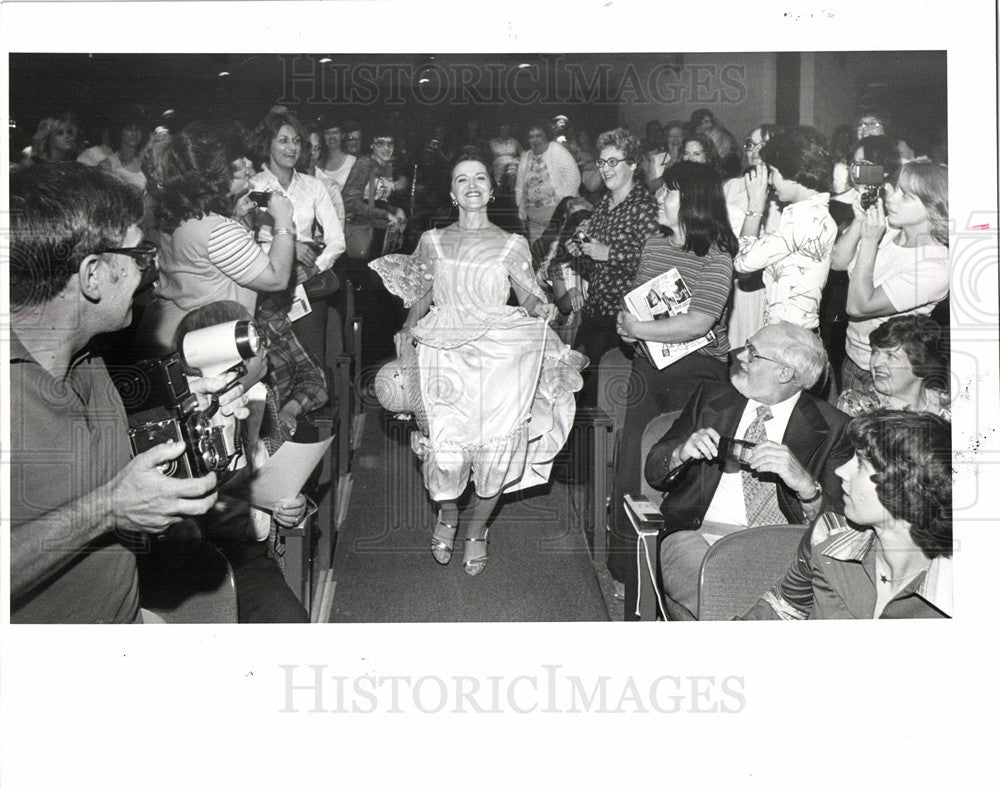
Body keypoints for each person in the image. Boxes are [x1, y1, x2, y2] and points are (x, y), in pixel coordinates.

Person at [9, 163, 243, 623]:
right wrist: (109, 508)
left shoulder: (91, 359)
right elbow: (110, 501)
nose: (148, 276)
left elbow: (122, 485)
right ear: (92, 275)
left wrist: (190, 419)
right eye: (138, 257)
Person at [369, 155, 586, 576]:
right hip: (443, 353)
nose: (472, 185)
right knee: (446, 449)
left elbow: (527, 299)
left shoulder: (512, 244)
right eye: (461, 179)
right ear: (453, 193)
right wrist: (406, 335)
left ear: (490, 190)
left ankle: (475, 527)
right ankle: (448, 514)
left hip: (499, 357)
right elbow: (420, 298)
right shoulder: (431, 240)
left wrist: (544, 306)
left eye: (480, 178)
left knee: (497, 448)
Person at [645, 322, 852, 617]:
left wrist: (807, 487)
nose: (740, 356)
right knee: (722, 591)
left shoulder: (833, 427)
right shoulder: (712, 398)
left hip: (783, 546)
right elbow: (654, 468)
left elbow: (842, 528)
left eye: (753, 353)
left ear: (785, 373)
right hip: (700, 534)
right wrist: (681, 453)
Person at [609, 161, 738, 609]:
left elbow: (699, 323)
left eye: (668, 192)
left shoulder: (719, 256)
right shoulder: (654, 245)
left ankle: (673, 576)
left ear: (692, 201)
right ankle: (630, 569)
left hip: (697, 375)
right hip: (647, 368)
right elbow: (639, 307)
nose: (659, 199)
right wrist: (628, 328)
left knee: (680, 471)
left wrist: (639, 330)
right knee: (634, 463)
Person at [172, 302, 318, 623]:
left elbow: (275, 484)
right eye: (251, 338)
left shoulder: (261, 397)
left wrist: (294, 506)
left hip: (250, 560)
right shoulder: (187, 422)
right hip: (201, 563)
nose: (264, 345)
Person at [742, 410, 952, 619]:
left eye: (861, 463)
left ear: (907, 487)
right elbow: (780, 611)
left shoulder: (953, 592)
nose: (841, 471)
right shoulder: (829, 535)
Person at [139, 121, 297, 352]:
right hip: (208, 345)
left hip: (171, 335)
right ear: (215, 173)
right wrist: (284, 220)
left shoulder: (179, 215)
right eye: (235, 160)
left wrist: (233, 218)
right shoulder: (217, 230)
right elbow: (277, 278)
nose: (246, 165)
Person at [558, 126, 659, 407]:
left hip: (624, 322)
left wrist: (609, 253)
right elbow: (594, 268)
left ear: (634, 164)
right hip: (595, 315)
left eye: (613, 162)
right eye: (602, 162)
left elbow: (655, 266)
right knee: (577, 398)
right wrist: (581, 253)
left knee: (605, 405)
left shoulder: (645, 207)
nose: (605, 169)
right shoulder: (602, 206)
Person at [839, 160, 950, 392]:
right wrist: (859, 223)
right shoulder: (890, 229)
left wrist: (869, 242)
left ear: (934, 207)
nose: (891, 197)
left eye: (906, 195)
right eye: (895, 188)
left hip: (888, 373)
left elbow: (858, 307)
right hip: (853, 356)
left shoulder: (936, 266)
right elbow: (837, 262)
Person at [733, 126, 837, 331]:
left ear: (794, 171)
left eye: (773, 172)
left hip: (789, 337)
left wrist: (755, 206)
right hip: (786, 332)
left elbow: (743, 263)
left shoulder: (806, 220)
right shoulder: (806, 214)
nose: (770, 181)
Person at [248, 110, 345, 277]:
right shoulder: (253, 186)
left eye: (296, 141)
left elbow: (337, 240)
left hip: (305, 278)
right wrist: (290, 247)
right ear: (267, 145)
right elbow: (244, 242)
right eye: (283, 141)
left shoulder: (314, 186)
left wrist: (315, 268)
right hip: (264, 276)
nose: (292, 148)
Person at [724, 123, 782, 348]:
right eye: (751, 144)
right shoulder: (732, 186)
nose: (755, 150)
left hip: (760, 283)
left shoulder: (780, 190)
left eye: (764, 145)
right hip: (731, 279)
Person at [837, 314, 950, 419]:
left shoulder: (949, 406)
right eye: (875, 352)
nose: (876, 363)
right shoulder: (859, 407)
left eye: (890, 355)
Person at [515, 121, 582, 242]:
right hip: (533, 219)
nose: (535, 140)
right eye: (531, 136)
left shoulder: (556, 150)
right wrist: (521, 214)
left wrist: (564, 207)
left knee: (554, 253)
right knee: (537, 253)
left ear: (546, 135)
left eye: (538, 135)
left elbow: (574, 178)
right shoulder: (526, 156)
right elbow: (519, 187)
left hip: (556, 217)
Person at [98, 113, 148, 193]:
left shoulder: (148, 160)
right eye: (129, 129)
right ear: (119, 132)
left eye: (138, 129)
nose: (134, 133)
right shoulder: (107, 166)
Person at [689, 109, 740, 176]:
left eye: (710, 121)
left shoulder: (718, 134)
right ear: (698, 123)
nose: (710, 124)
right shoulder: (699, 135)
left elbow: (714, 156)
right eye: (706, 121)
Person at [318, 120, 358, 191]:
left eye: (335, 132)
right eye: (327, 133)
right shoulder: (318, 162)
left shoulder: (353, 162)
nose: (332, 137)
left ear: (343, 135)